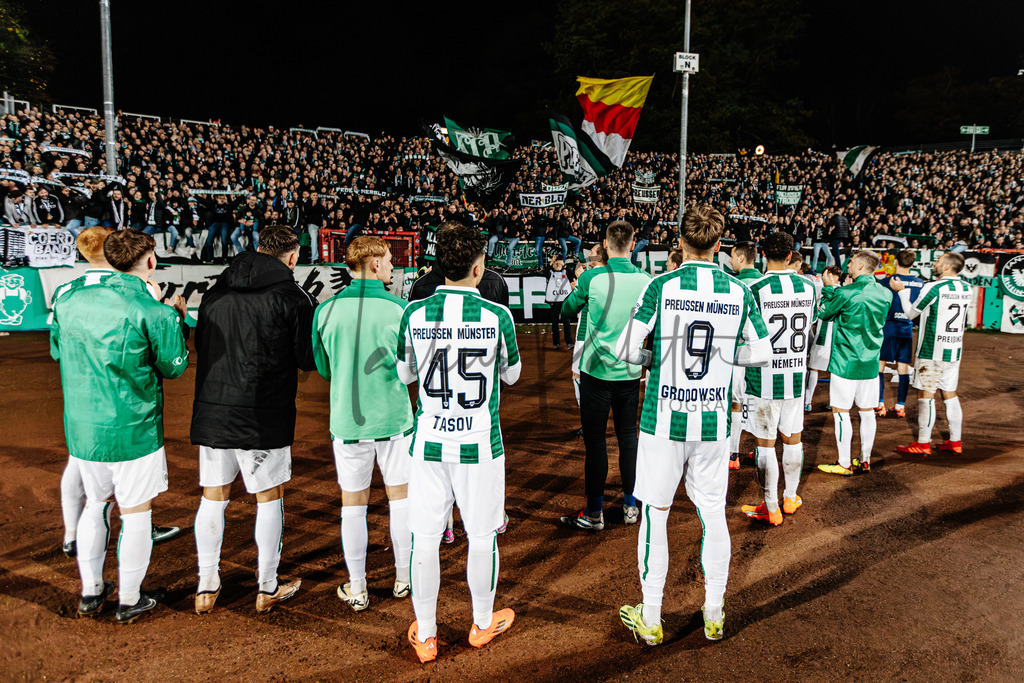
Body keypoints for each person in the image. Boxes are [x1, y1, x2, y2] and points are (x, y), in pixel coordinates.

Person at [615, 204, 770, 645]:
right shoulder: (740, 292)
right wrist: (725, 360)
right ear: (720, 246)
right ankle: (715, 612)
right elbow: (760, 353)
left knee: (656, 515)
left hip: (662, 421)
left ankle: (652, 617)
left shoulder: (661, 285)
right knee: (711, 514)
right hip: (713, 423)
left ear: (680, 243)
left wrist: (653, 360)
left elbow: (627, 350)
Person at [397, 222, 521, 664]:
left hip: (429, 440)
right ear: (478, 266)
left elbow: (405, 375)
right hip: (479, 443)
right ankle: (482, 623)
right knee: (483, 534)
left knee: (425, 538)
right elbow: (512, 375)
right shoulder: (497, 316)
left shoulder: (413, 313)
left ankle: (427, 636)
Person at [50, 229, 189, 623]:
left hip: (83, 425)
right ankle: (130, 599)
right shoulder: (153, 310)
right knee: (136, 512)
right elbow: (173, 367)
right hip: (134, 427)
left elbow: (57, 349)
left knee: (96, 505)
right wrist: (177, 321)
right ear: (149, 262)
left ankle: (91, 592)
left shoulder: (69, 299)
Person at [190, 225, 316, 614]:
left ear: (258, 248)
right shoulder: (294, 297)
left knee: (213, 496)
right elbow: (307, 359)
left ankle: (206, 585)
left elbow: (201, 345)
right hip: (265, 412)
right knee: (268, 498)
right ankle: (267, 585)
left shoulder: (215, 291)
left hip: (214, 409)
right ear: (292, 257)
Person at [312, 236, 413, 612]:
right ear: (372, 264)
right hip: (393, 419)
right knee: (400, 500)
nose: (391, 266)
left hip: (347, 423)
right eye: (388, 260)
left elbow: (324, 369)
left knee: (353, 505)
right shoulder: (401, 309)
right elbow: (410, 371)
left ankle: (358, 587)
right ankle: (404, 578)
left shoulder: (324, 311)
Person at [559, 221, 651, 530]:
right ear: (632, 243)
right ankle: (630, 506)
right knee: (628, 439)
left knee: (596, 443)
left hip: (596, 372)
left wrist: (580, 292)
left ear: (606, 244)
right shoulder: (646, 280)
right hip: (630, 372)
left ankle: (594, 512)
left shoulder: (592, 277)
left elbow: (567, 312)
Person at [738, 232, 817, 526]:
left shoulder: (754, 288)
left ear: (761, 255)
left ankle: (771, 506)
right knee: (793, 438)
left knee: (766, 444)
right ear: (790, 256)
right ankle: (791, 497)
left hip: (764, 376)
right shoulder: (809, 287)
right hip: (796, 373)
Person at [815, 251, 891, 476]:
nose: (847, 265)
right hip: (870, 363)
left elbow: (824, 314)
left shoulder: (846, 292)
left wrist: (829, 288)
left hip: (845, 362)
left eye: (850, 262)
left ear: (858, 265)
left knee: (841, 412)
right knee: (867, 412)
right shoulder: (886, 293)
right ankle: (865, 459)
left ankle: (844, 462)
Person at [893, 252, 972, 456]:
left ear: (946, 267)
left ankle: (923, 443)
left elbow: (911, 314)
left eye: (938, 261)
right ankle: (955, 441)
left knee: (925, 396)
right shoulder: (966, 287)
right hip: (954, 350)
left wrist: (902, 292)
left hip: (931, 350)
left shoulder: (933, 287)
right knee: (950, 395)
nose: (935, 264)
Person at [727, 241, 762, 470]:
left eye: (731, 256)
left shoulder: (735, 284)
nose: (729, 261)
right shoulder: (766, 281)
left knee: (734, 404)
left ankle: (732, 455)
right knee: (762, 406)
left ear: (741, 258)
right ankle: (760, 451)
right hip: (765, 355)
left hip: (737, 352)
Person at [876, 251, 925, 417]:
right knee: (902, 367)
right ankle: (900, 406)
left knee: (880, 365)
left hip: (888, 327)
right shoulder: (920, 283)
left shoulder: (886, 281)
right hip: (907, 328)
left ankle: (879, 404)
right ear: (912, 264)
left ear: (896, 262)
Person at [543, 254, 574, 350]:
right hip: (554, 302)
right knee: (554, 323)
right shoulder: (550, 273)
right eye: (555, 263)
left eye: (558, 263)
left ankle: (569, 342)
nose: (557, 264)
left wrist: (565, 265)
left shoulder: (566, 272)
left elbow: (573, 275)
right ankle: (556, 343)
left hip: (565, 302)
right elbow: (544, 272)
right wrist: (551, 262)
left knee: (566, 323)